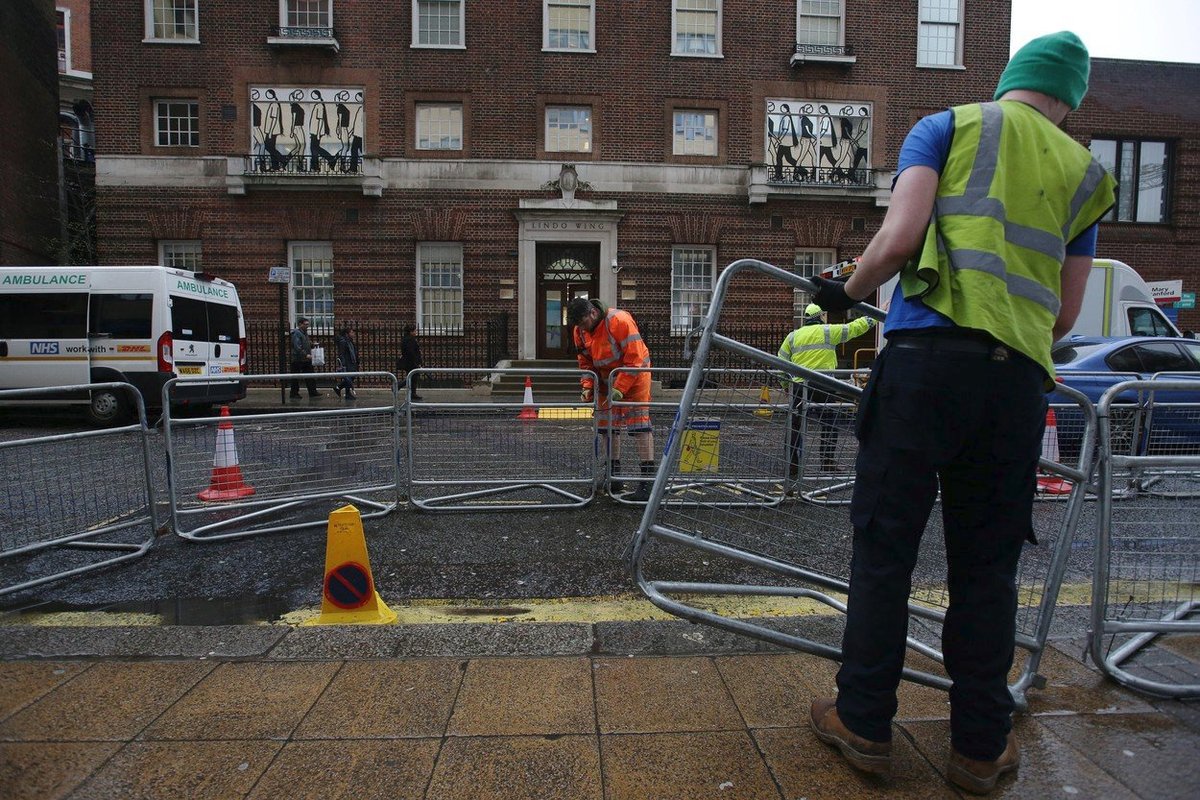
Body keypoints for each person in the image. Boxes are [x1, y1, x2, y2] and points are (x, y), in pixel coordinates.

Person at [805, 31, 1117, 795]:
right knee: (987, 570)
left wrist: (843, 291)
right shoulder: (1086, 174)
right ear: (1069, 101)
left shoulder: (948, 126)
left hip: (921, 368)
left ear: (1011, 80)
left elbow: (901, 238)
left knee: (885, 552)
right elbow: (1066, 317)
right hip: (1011, 386)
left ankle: (866, 725)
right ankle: (979, 749)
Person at [567, 297, 655, 502]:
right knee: (607, 429)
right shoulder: (580, 330)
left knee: (639, 427)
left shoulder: (619, 321)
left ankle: (647, 481)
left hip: (635, 378)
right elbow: (585, 362)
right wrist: (588, 387)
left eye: (583, 323)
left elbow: (634, 360)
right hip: (606, 380)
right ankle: (613, 476)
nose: (582, 329)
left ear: (593, 313)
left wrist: (620, 389)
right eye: (578, 326)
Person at [777, 303, 876, 479]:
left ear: (806, 319)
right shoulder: (828, 331)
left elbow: (781, 363)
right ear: (821, 316)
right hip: (825, 384)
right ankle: (827, 462)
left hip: (801, 386)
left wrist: (786, 386)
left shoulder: (793, 337)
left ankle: (791, 466)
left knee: (795, 426)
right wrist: (875, 315)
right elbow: (854, 328)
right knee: (829, 423)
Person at [289, 316, 321, 398]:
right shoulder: (296, 333)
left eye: (308, 324)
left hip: (305, 359)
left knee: (310, 376)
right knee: (295, 377)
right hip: (298, 359)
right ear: (300, 324)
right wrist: (305, 354)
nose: (307, 326)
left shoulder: (304, 333)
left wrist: (312, 344)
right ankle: (294, 393)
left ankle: (313, 392)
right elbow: (297, 346)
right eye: (305, 324)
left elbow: (306, 342)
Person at [397, 323, 423, 401]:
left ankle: (413, 393)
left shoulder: (407, 339)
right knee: (412, 377)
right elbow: (411, 352)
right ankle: (399, 385)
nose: (416, 332)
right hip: (411, 362)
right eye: (414, 331)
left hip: (410, 362)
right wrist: (416, 361)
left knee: (414, 377)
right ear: (411, 332)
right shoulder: (409, 340)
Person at [334, 323, 359, 400]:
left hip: (352, 361)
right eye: (351, 332)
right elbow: (341, 354)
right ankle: (347, 394)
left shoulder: (349, 341)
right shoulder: (343, 342)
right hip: (347, 362)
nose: (353, 334)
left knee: (351, 377)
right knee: (349, 378)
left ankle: (338, 387)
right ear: (347, 334)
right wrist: (343, 364)